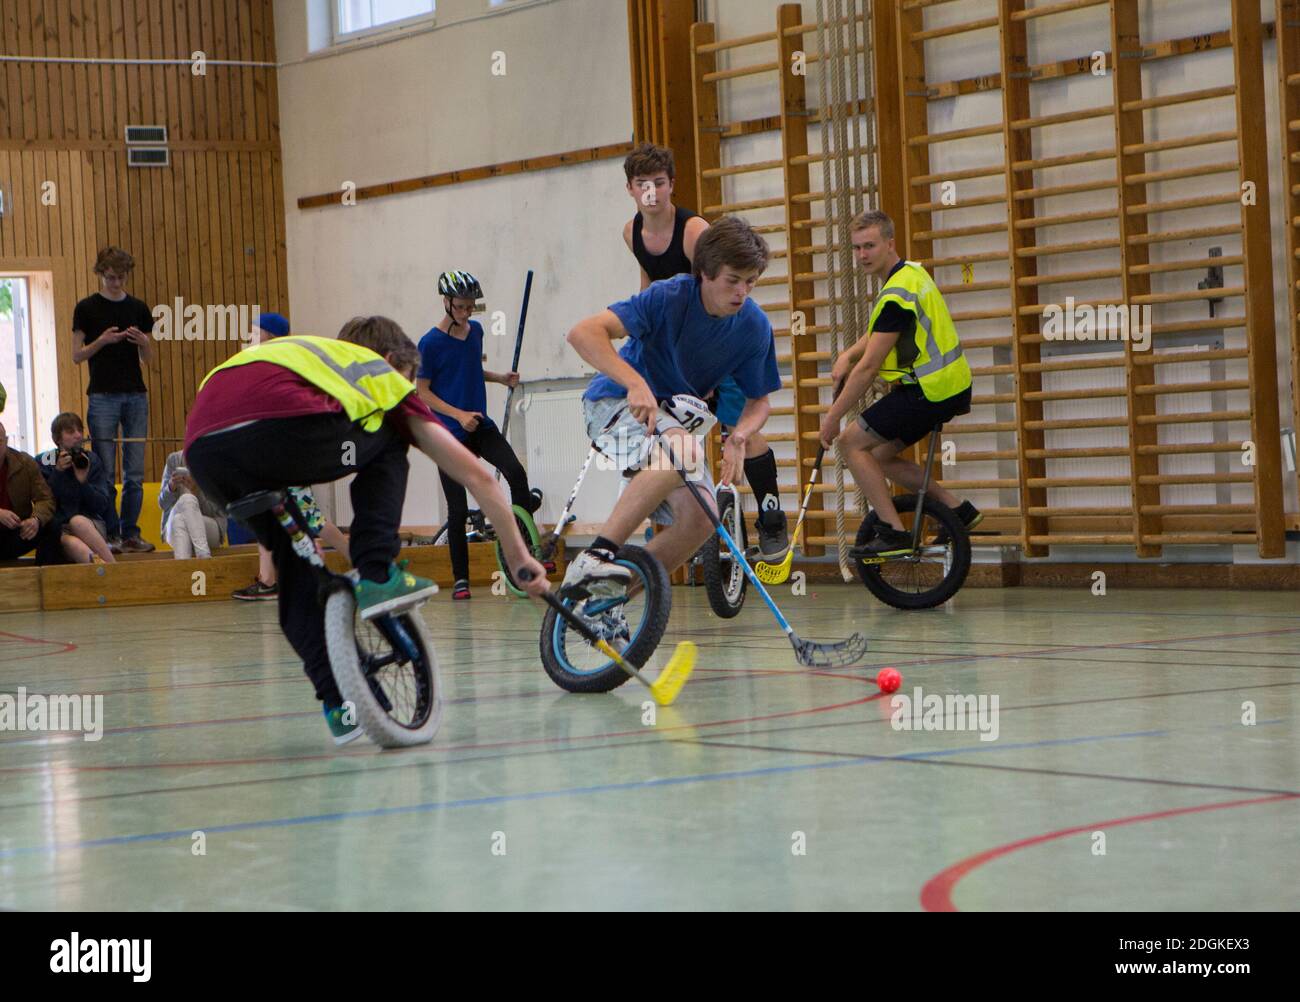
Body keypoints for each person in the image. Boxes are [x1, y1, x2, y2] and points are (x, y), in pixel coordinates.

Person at [183, 316, 547, 745]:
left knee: (298, 571)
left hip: (206, 453)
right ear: (393, 361)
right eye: (410, 381)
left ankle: (340, 705)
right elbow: (479, 478)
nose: (411, 393)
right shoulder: (374, 370)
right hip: (278, 427)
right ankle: (376, 571)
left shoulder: (305, 360)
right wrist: (521, 560)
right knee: (395, 437)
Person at [561, 216, 780, 616]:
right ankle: (594, 559)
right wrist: (634, 383)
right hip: (614, 406)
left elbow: (758, 401)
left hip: (670, 425)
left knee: (703, 518)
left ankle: (603, 605)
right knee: (685, 450)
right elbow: (583, 333)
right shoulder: (668, 297)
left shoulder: (753, 327)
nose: (743, 292)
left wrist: (739, 436)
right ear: (706, 274)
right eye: (733, 280)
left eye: (751, 281)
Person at [621, 142, 788, 556]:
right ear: (630, 189)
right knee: (660, 427)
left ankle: (771, 513)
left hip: (714, 334)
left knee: (737, 424)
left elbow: (723, 284)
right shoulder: (631, 232)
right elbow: (648, 284)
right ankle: (670, 509)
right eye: (642, 184)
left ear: (671, 185)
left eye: (658, 183)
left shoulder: (693, 231)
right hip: (674, 344)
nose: (651, 193)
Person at [818, 210, 981, 558]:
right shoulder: (910, 274)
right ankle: (957, 509)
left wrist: (833, 417)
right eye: (857, 248)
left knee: (850, 444)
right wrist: (847, 354)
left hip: (930, 391)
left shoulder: (897, 293)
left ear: (889, 243)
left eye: (870, 246)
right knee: (880, 456)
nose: (863, 255)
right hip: (948, 385)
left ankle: (894, 532)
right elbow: (880, 333)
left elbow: (869, 368)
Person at [416, 271, 541, 601]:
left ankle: (523, 545)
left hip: (480, 425)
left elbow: (468, 369)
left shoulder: (476, 333)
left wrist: (500, 378)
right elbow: (422, 392)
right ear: (446, 302)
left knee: (515, 473)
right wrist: (457, 415)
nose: (467, 312)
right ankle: (461, 580)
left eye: (472, 307)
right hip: (450, 436)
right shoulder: (429, 344)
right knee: (457, 511)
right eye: (461, 306)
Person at [228, 313, 351, 600]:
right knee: (282, 512)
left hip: (284, 452)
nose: (249, 338)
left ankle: (353, 557)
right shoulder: (267, 365)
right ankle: (271, 579)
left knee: (295, 514)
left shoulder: (277, 365)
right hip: (276, 451)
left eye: (254, 332)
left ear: (270, 336)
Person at [72, 246, 155, 553]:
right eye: (110, 277)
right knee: (105, 470)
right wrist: (103, 340)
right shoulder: (86, 308)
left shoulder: (138, 307)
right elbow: (76, 356)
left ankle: (131, 533)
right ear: (100, 274)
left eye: (120, 277)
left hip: (135, 394)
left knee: (134, 472)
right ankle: (110, 534)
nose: (116, 283)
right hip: (102, 395)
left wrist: (144, 342)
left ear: (126, 275)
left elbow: (147, 359)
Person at [35, 412, 117, 564]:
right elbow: (45, 501)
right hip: (59, 529)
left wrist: (83, 483)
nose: (78, 435)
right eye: (71, 431)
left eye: (80, 430)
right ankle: (113, 575)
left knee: (77, 521)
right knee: (73, 544)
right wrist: (58, 472)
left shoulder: (91, 460)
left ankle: (113, 570)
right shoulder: (44, 461)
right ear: (57, 439)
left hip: (90, 526)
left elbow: (101, 505)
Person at [0, 422, 63, 565]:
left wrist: (36, 519)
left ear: (7, 441)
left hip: (15, 533)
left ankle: (45, 580)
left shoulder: (24, 462)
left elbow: (46, 499)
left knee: (52, 525)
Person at [159, 450, 225, 559]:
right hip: (172, 529)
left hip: (211, 528)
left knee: (184, 507)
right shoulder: (173, 460)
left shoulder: (215, 463)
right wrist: (170, 487)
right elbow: (162, 504)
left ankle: (184, 572)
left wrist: (196, 492)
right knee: (180, 516)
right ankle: (204, 556)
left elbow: (216, 511)